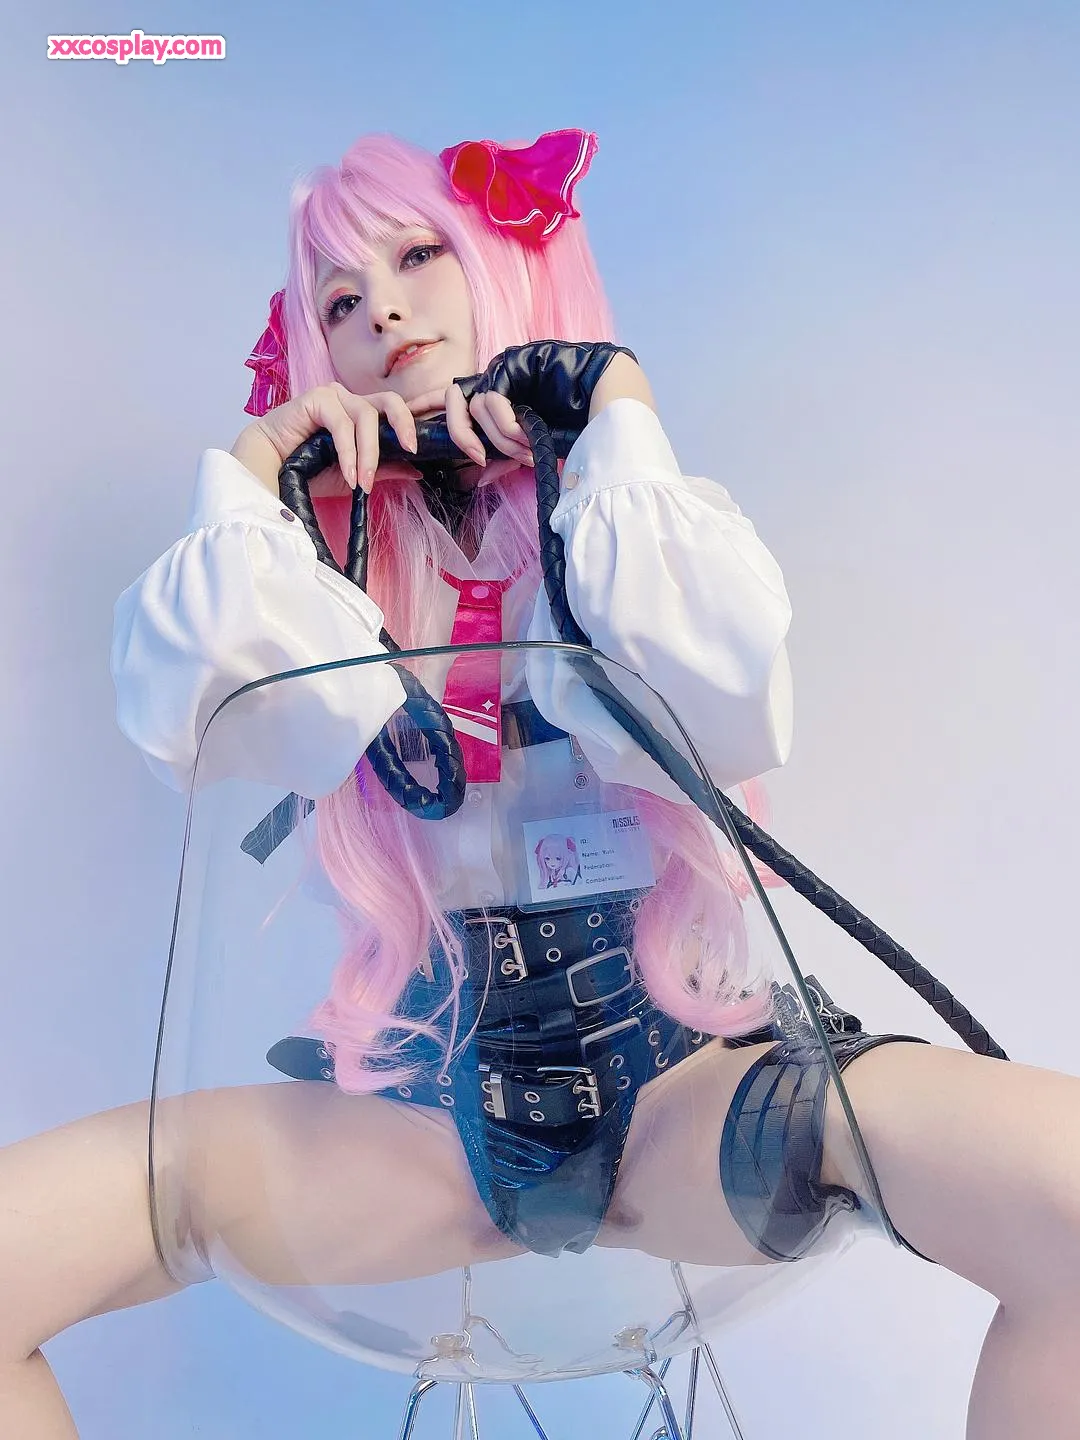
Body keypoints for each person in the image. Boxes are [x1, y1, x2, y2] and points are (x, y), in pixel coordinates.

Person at [1, 129, 1079, 1440]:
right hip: (423, 1126)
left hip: (682, 1093)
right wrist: (248, 478)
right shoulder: (314, 575)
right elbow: (203, 717)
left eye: (418, 256)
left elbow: (718, 700)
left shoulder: (632, 517)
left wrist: (614, 409)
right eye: (337, 300)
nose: (382, 309)